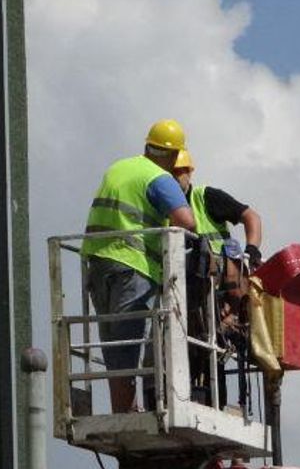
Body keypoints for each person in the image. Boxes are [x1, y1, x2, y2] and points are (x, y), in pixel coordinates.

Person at [83, 119, 196, 413]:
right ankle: (128, 410)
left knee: (113, 349)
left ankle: (124, 410)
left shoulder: (118, 167)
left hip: (97, 264)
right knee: (128, 348)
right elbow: (187, 222)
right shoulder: (159, 178)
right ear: (173, 156)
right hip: (132, 267)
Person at [171, 150, 262, 407]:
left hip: (219, 296)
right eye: (171, 173)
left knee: (212, 353)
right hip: (185, 299)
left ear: (189, 172)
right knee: (188, 354)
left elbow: (250, 217)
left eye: (180, 172)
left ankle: (214, 403)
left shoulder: (205, 198)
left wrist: (252, 249)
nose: (176, 178)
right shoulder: (161, 206)